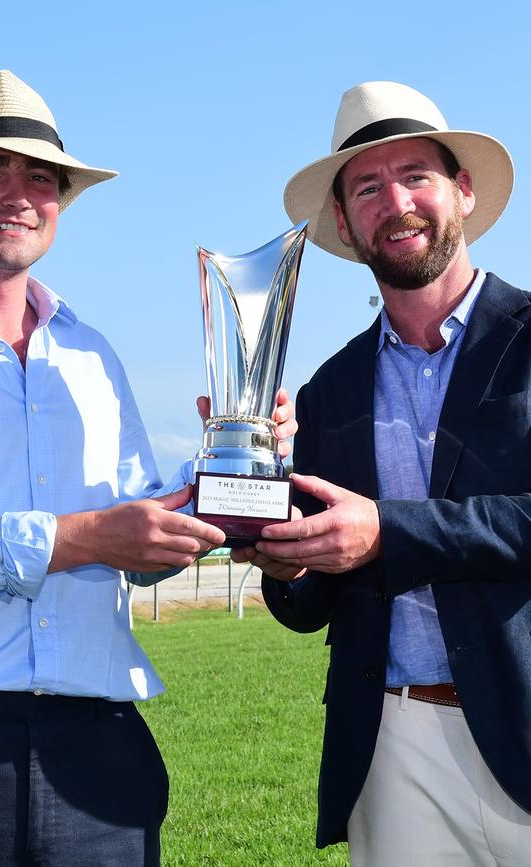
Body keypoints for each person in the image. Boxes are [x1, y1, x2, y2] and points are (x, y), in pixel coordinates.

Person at [0, 69, 295, 867]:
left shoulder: (94, 354)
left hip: (99, 751)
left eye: (42, 177)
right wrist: (87, 536)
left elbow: (137, 537)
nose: (19, 194)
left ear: (59, 206)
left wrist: (235, 464)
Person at [233, 80, 531, 866]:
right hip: (393, 748)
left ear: (463, 191)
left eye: (416, 177)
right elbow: (308, 604)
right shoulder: (328, 388)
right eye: (367, 186)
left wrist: (385, 530)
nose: (394, 201)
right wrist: (288, 558)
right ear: (342, 218)